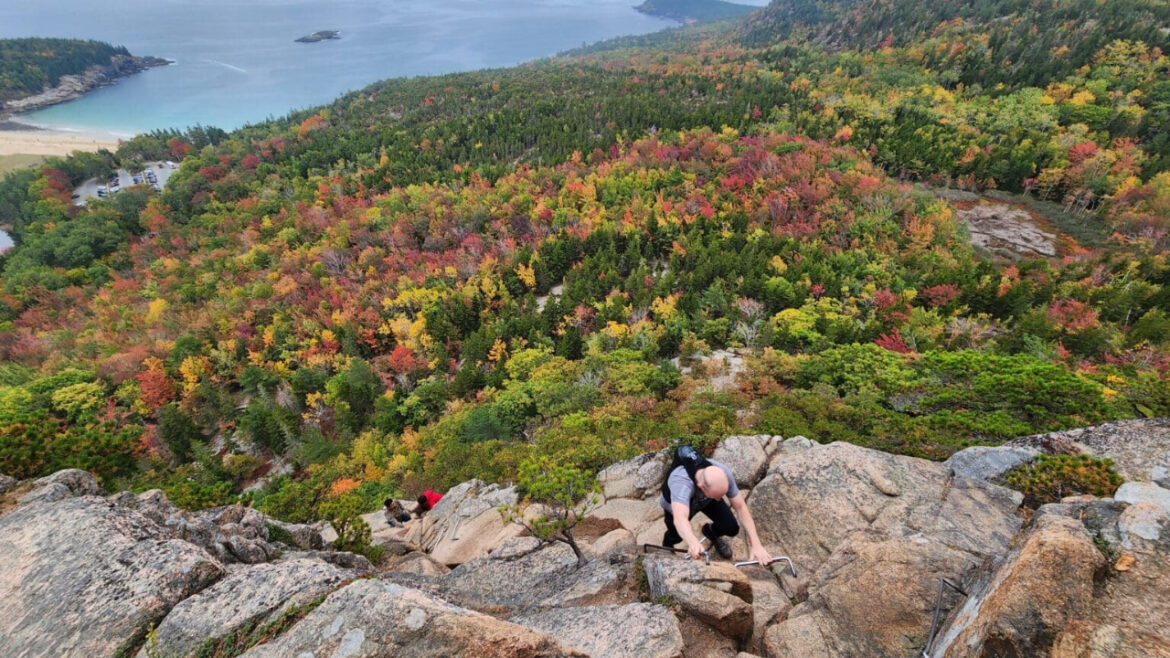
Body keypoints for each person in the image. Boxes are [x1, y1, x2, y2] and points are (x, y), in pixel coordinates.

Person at [659, 447, 772, 565]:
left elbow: (741, 507)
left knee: (730, 527)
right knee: (677, 536)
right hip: (676, 505)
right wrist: (693, 542)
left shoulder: (721, 472)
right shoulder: (681, 482)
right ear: (702, 486)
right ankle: (667, 546)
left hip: (708, 498)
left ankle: (710, 531)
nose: (720, 499)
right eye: (718, 496)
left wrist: (756, 545)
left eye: (721, 495)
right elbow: (680, 518)